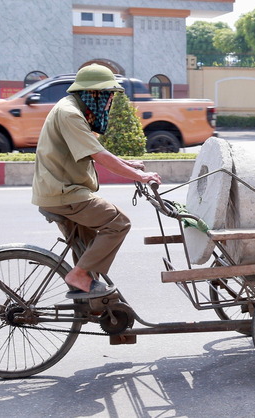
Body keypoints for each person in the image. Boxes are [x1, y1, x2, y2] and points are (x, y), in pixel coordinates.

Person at [32, 64, 161, 299]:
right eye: (108, 96)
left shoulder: (73, 109)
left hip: (62, 190)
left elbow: (96, 149)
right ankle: (77, 276)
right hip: (65, 193)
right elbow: (98, 155)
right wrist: (140, 176)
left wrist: (129, 165)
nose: (110, 102)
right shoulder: (70, 113)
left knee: (88, 246)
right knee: (118, 222)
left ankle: (89, 298)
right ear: (94, 94)